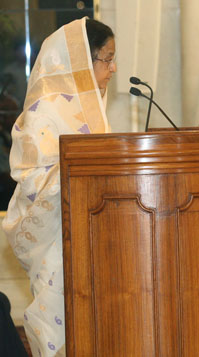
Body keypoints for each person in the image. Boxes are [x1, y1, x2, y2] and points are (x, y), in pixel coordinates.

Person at [2, 18, 116, 356]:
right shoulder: (44, 109)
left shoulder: (93, 109)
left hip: (97, 235)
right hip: (57, 239)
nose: (113, 68)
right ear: (82, 58)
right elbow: (31, 178)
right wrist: (78, 173)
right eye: (106, 58)